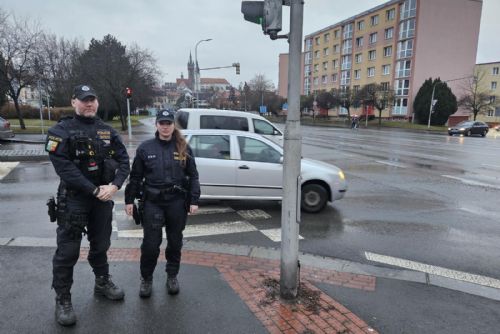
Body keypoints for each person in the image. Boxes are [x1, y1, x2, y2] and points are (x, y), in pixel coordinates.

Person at [45, 84, 130, 326]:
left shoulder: (107, 131)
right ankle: (62, 299)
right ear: (74, 102)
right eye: (84, 100)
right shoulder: (59, 131)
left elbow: (124, 161)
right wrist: (93, 189)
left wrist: (114, 186)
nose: (89, 103)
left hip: (102, 198)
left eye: (92, 99)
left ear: (98, 103)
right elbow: (64, 167)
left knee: (101, 244)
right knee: (68, 251)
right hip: (74, 200)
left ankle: (102, 282)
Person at [124, 109, 200, 298]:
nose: (165, 127)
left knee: (175, 243)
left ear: (173, 126)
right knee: (151, 244)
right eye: (162, 123)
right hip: (153, 203)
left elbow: (193, 175)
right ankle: (146, 278)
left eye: (169, 123)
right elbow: (135, 177)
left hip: (176, 202)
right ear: (156, 125)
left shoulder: (183, 147)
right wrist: (129, 200)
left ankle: (172, 276)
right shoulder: (145, 148)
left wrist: (194, 199)